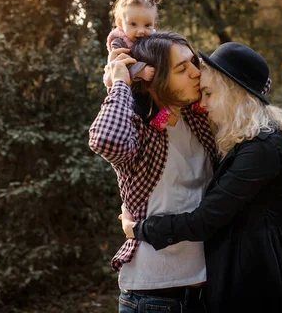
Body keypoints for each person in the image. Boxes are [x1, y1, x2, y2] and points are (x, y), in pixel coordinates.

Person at [121, 42, 282, 312]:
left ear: (231, 94)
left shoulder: (261, 147)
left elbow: (205, 220)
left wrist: (139, 229)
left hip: (255, 272)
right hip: (247, 262)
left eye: (209, 93)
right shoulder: (253, 137)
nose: (203, 102)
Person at [89, 31, 220, 312]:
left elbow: (253, 87)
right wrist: (120, 84)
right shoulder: (138, 131)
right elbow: (106, 140)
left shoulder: (199, 119)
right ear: (153, 80)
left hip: (211, 286)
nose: (196, 73)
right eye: (182, 68)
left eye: (194, 63)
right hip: (154, 295)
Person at [103, 0, 164, 89]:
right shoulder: (119, 41)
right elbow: (122, 64)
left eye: (147, 25)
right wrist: (141, 71)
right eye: (133, 24)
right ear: (120, 24)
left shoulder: (155, 39)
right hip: (128, 91)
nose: (141, 31)